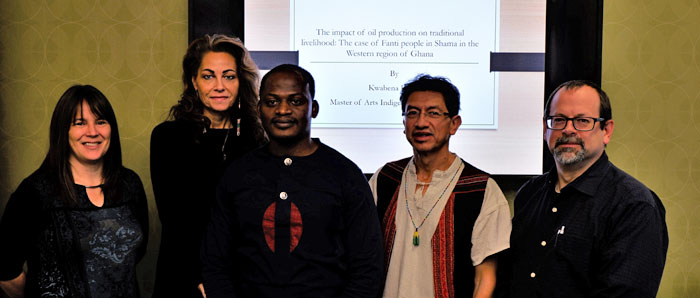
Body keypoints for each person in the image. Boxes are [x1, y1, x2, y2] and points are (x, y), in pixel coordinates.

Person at [201, 64, 384, 297]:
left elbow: (367, 268)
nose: (283, 110)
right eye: (272, 102)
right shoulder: (238, 174)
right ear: (259, 109)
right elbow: (215, 261)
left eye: (296, 101)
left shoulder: (345, 175)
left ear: (313, 108)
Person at [503, 80, 668, 297]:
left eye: (582, 121)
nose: (568, 129)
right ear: (545, 129)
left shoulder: (634, 205)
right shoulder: (529, 193)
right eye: (559, 120)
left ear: (606, 130)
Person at [369, 74, 511, 298]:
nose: (421, 122)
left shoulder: (481, 189)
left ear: (454, 124)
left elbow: (485, 277)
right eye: (412, 113)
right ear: (404, 123)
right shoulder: (386, 178)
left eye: (433, 113)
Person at [0, 84, 149, 297]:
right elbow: (5, 268)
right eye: (80, 123)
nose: (92, 132)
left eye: (100, 121)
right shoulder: (35, 192)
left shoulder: (130, 184)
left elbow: (137, 253)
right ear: (63, 131)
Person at [150, 34, 266, 297]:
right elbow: (175, 219)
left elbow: (254, 223)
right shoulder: (168, 138)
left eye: (228, 76)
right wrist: (202, 277)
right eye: (208, 76)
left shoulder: (256, 140)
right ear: (193, 81)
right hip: (183, 275)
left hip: (241, 278)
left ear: (241, 81)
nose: (219, 86)